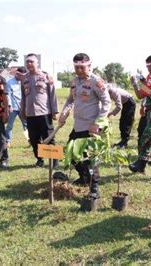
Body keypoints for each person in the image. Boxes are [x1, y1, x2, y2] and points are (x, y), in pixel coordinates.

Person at [58, 53, 111, 198]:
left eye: (82, 67)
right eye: (76, 67)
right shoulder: (75, 81)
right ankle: (84, 177)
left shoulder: (96, 82)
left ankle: (95, 189)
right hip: (78, 125)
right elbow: (70, 99)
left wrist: (97, 123)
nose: (79, 70)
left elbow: (107, 103)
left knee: (90, 158)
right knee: (71, 154)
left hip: (91, 127)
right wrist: (64, 112)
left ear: (89, 66)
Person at [20, 53, 59, 168]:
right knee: (33, 138)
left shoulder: (46, 76)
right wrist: (23, 110)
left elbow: (52, 95)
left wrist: (54, 111)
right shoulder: (24, 78)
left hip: (44, 112)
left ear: (37, 63)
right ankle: (39, 159)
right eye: (27, 62)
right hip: (30, 113)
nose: (29, 64)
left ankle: (54, 161)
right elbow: (23, 96)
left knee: (49, 136)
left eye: (31, 61)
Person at [5, 67, 28, 147]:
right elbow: (8, 95)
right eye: (21, 75)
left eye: (24, 75)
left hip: (23, 108)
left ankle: (31, 140)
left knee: (26, 125)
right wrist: (9, 106)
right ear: (17, 74)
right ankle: (8, 141)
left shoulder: (25, 82)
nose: (22, 77)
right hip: (13, 108)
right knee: (10, 125)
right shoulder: (9, 83)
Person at [107, 84, 136, 149]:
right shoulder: (111, 92)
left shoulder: (114, 92)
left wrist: (111, 113)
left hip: (130, 103)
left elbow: (119, 106)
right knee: (122, 123)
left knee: (126, 123)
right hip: (126, 104)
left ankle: (124, 143)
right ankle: (122, 141)